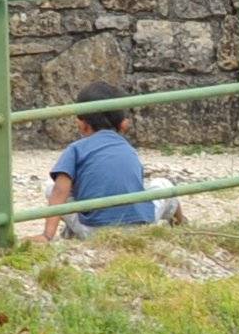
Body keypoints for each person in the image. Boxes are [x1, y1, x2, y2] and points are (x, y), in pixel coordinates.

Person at [46, 88, 166, 233]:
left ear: (82, 124)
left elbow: (59, 191)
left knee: (51, 187)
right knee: (163, 184)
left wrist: (47, 235)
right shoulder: (128, 149)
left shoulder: (76, 149)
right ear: (124, 124)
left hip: (93, 230)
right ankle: (180, 223)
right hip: (139, 227)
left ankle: (68, 232)